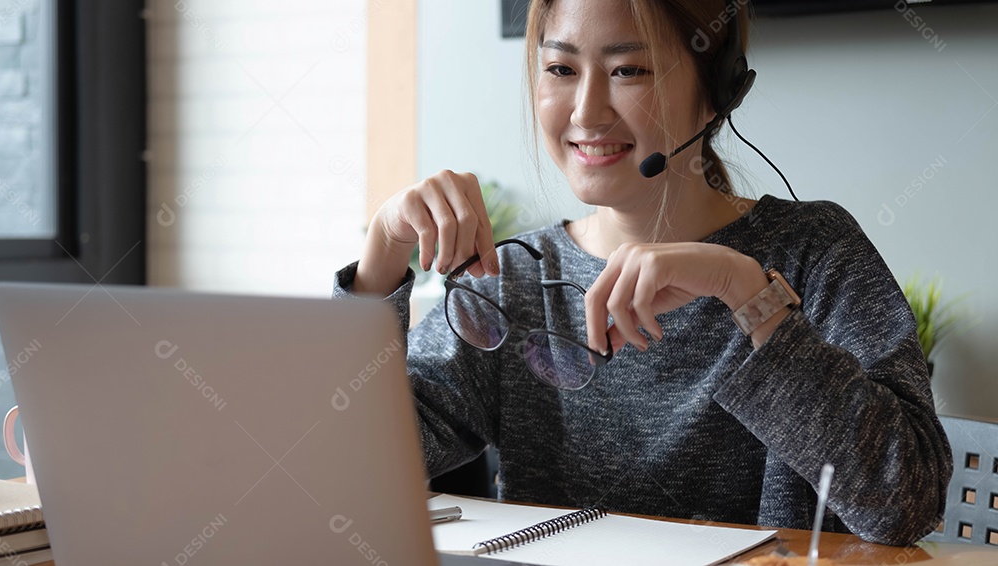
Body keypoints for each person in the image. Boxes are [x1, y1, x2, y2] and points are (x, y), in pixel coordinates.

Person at [334, 0, 951, 546]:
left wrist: (748, 295)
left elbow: (908, 503)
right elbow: (341, 468)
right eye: (561, 69)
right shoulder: (512, 279)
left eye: (629, 70)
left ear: (719, 88)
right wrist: (381, 259)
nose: (586, 110)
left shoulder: (814, 252)